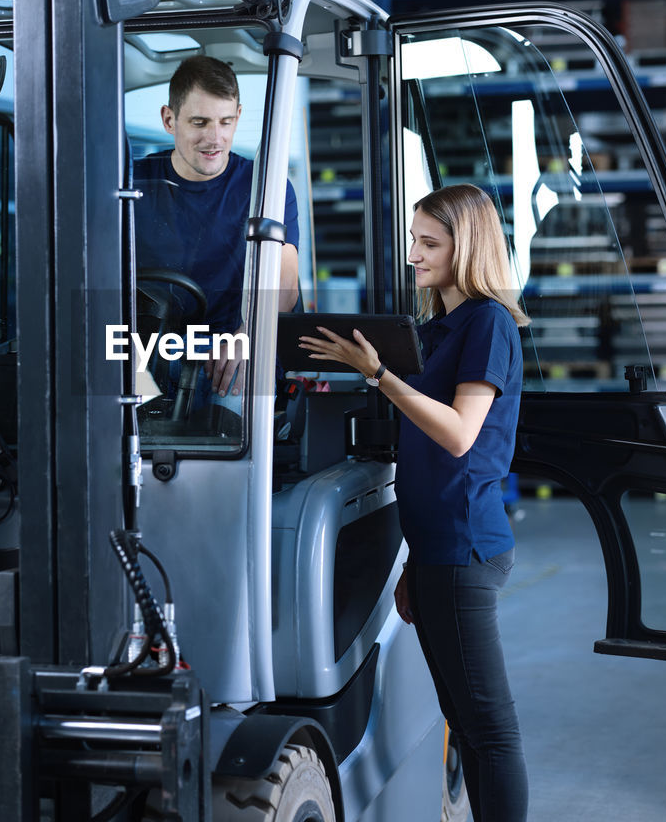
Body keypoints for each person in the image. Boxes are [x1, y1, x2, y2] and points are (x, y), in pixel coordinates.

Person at [297, 183, 531, 822]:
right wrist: (412, 561)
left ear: (468, 247)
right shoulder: (438, 328)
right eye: (413, 239)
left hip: (465, 548)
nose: (413, 255)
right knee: (465, 720)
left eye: (429, 243)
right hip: (435, 553)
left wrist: (377, 375)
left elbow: (457, 434)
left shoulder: (487, 323)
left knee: (489, 730)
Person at [132, 55, 300, 400]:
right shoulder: (130, 183)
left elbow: (285, 289)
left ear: (238, 117)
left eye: (225, 121)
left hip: (230, 344)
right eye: (199, 122)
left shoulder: (265, 187)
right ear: (169, 119)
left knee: (239, 378)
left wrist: (246, 335)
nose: (215, 138)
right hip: (148, 346)